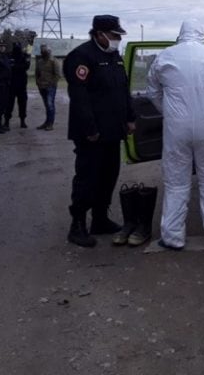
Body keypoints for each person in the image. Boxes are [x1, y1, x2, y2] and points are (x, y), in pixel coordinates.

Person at [146, 19, 204, 250]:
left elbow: (152, 91)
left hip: (176, 127)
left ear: (181, 33)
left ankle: (173, 237)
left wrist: (168, 111)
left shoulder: (165, 56)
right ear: (201, 34)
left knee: (176, 180)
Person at [63, 15, 136, 247]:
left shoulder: (114, 56)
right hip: (92, 133)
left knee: (109, 176)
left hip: (113, 131)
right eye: (114, 36)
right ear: (99, 34)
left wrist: (130, 118)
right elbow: (80, 97)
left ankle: (100, 219)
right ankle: (77, 225)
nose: (117, 40)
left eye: (118, 36)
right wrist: (90, 129)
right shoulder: (81, 57)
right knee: (88, 178)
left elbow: (123, 89)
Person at [4, 41, 30, 130]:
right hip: (11, 84)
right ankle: (6, 121)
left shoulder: (25, 56)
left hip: (22, 84)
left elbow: (26, 66)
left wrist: (14, 66)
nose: (17, 48)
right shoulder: (8, 55)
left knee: (23, 103)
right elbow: (7, 66)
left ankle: (23, 121)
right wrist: (18, 66)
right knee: (8, 104)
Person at [34, 44, 60, 131]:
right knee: (46, 105)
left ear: (49, 51)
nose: (43, 52)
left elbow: (57, 75)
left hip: (50, 87)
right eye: (42, 51)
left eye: (45, 51)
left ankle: (50, 124)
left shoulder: (54, 61)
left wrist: (52, 84)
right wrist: (38, 83)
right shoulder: (40, 62)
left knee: (50, 105)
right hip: (42, 87)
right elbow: (37, 74)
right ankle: (46, 122)